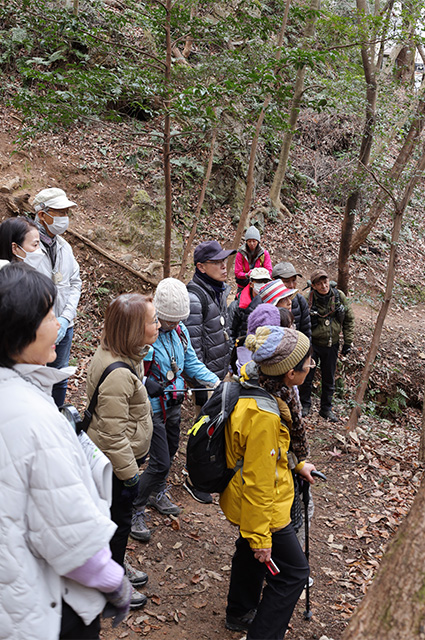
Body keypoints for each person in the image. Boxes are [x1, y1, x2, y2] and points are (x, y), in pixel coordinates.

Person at [0, 263, 132, 640]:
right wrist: (111, 579)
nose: (58, 323)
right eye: (47, 315)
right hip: (42, 606)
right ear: (18, 330)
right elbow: (66, 531)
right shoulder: (33, 417)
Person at [221, 325, 316, 639]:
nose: (311, 366)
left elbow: (269, 454)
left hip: (250, 496)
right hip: (263, 503)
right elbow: (259, 481)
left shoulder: (255, 380)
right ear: (290, 374)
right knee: (293, 573)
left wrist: (298, 463)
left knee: (250, 550)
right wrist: (261, 535)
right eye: (308, 363)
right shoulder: (265, 415)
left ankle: (239, 611)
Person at [131, 279, 219, 541]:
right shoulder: (145, 332)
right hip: (152, 408)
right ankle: (135, 506)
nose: (170, 326)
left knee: (170, 450)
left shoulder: (180, 332)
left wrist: (214, 381)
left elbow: (191, 363)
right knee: (160, 462)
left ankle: (157, 492)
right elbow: (132, 370)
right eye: (167, 321)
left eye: (175, 321)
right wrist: (147, 383)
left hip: (174, 403)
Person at [86, 293, 158, 609]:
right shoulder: (117, 372)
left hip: (119, 460)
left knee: (116, 522)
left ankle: (114, 566)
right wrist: (130, 476)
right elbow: (113, 436)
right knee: (118, 523)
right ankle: (111, 584)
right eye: (153, 321)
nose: (158, 325)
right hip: (116, 465)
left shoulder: (125, 355)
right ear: (132, 330)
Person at [32, 187, 82, 407]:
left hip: (64, 326)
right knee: (35, 378)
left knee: (60, 377)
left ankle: (58, 415)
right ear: (42, 214)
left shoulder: (64, 247)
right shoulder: (26, 248)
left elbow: (75, 283)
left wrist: (66, 318)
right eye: (59, 212)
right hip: (35, 327)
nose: (64, 218)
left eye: (66, 213)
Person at [299, 268, 355, 421]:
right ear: (314, 286)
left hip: (332, 344)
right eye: (319, 284)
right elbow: (299, 322)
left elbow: (349, 319)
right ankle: (305, 405)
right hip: (312, 345)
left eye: (325, 282)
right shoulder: (307, 299)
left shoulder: (338, 296)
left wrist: (348, 342)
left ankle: (326, 409)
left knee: (329, 378)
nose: (324, 286)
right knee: (307, 375)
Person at [185, 240, 235, 409]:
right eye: (216, 262)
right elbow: (193, 348)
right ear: (201, 267)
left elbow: (224, 330)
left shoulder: (218, 291)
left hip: (220, 376)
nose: (223, 266)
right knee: (206, 429)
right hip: (206, 383)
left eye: (224, 261)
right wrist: (202, 386)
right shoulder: (194, 299)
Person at [230, 267, 272, 345]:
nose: (263, 284)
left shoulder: (274, 303)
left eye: (265, 281)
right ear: (251, 284)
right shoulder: (237, 306)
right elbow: (230, 332)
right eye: (259, 281)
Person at [272, 261, 312, 340]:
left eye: (294, 280)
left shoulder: (300, 301)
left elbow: (306, 331)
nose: (291, 285)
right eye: (286, 281)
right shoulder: (267, 302)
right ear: (274, 281)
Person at [234, 226, 272, 295]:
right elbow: (237, 272)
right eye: (249, 241)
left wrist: (259, 274)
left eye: (254, 241)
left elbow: (269, 271)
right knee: (239, 303)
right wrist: (247, 275)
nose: (251, 243)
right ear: (246, 241)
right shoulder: (240, 253)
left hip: (259, 285)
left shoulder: (264, 254)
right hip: (243, 284)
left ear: (258, 241)